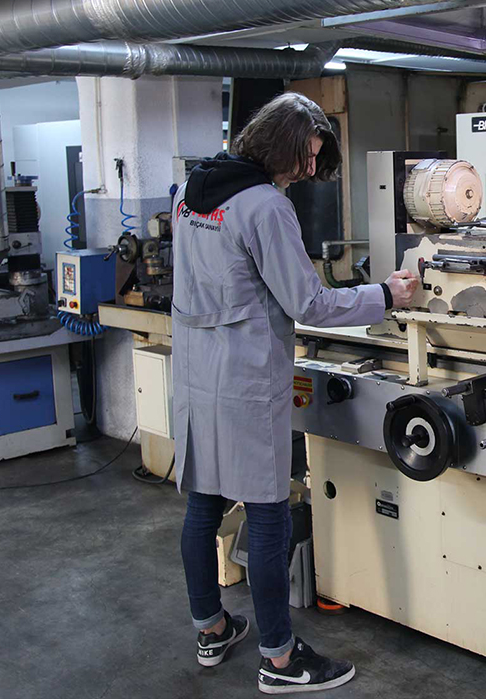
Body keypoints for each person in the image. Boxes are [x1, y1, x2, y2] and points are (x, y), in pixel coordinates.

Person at [170, 92, 418, 694]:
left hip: (196, 372)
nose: (310, 168)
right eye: (307, 154)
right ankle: (280, 660)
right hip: (247, 377)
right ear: (281, 144)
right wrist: (385, 295)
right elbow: (308, 303)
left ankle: (211, 629)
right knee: (267, 513)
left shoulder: (189, 193)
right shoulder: (265, 206)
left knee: (203, 505)